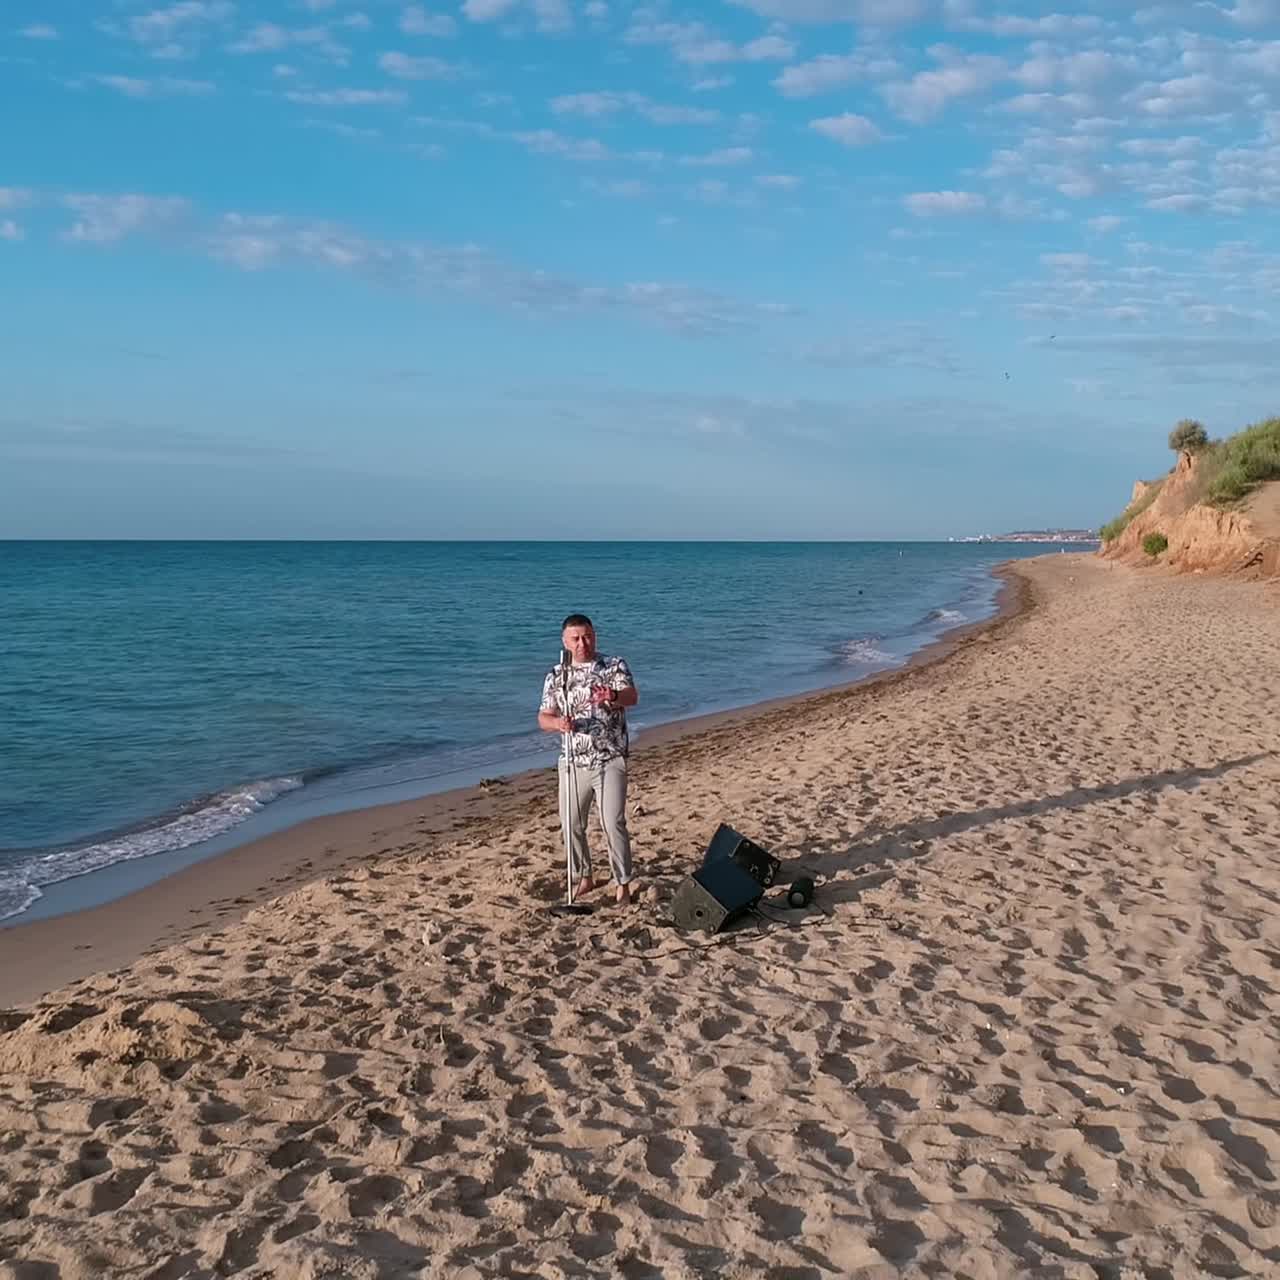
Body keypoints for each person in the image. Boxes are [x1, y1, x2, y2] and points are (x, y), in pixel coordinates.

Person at [537, 613, 638, 906]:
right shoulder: (557, 675)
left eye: (588, 636)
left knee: (612, 822)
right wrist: (558, 724)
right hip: (573, 760)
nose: (583, 643)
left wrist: (614, 695)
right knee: (571, 823)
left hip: (610, 757)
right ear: (565, 642)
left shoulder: (613, 665)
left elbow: (632, 697)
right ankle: (584, 875)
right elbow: (543, 716)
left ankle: (623, 883)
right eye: (576, 638)